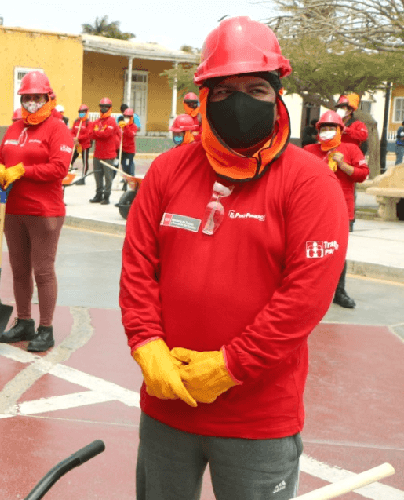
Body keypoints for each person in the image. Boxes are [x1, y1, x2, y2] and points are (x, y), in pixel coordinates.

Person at [120, 17, 348, 500]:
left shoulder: (309, 182)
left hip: (257, 420)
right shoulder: (168, 171)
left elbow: (304, 298)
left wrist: (230, 367)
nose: (239, 103)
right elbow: (138, 266)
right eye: (223, 92)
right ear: (203, 97)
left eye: (255, 89)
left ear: (278, 93)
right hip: (168, 403)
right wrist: (145, 342)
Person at [0, 70, 73, 352]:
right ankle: (24, 320)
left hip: (44, 212)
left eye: (37, 98)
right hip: (13, 210)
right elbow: (0, 157)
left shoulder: (57, 129)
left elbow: (59, 168)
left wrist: (23, 170)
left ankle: (46, 328)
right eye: (27, 98)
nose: (31, 103)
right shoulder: (15, 129)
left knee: (43, 271)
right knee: (19, 269)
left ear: (47, 98)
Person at [304, 110, 368, 308]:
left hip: (342, 208)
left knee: (338, 251)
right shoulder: (309, 150)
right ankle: (309, 292)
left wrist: (343, 165)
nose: (327, 132)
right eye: (324, 128)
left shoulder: (351, 149)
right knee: (309, 251)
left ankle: (339, 292)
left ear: (340, 130)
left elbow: (362, 174)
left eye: (332, 128)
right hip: (312, 209)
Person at [89, 97, 119, 205]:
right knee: (97, 176)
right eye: (102, 106)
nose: (104, 108)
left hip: (108, 155)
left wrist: (97, 132)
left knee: (108, 177)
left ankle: (106, 196)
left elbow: (106, 134)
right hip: (97, 154)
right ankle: (98, 195)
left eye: (106, 107)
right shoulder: (97, 121)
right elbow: (91, 134)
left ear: (110, 108)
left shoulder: (112, 121)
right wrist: (99, 132)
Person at [70, 104, 91, 184]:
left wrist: (79, 137)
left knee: (85, 162)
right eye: (80, 112)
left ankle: (83, 178)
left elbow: (88, 134)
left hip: (85, 145)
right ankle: (67, 173)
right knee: (71, 159)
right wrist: (73, 138)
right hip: (76, 144)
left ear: (86, 112)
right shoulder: (76, 121)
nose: (81, 113)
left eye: (83, 112)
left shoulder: (88, 122)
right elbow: (72, 131)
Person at [120, 108, 139, 178]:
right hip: (123, 149)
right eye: (125, 117)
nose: (126, 118)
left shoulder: (134, 127)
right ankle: (125, 178)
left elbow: (130, 135)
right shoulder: (122, 126)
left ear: (131, 118)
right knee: (123, 165)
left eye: (128, 117)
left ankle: (131, 177)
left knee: (129, 165)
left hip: (130, 151)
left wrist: (126, 126)